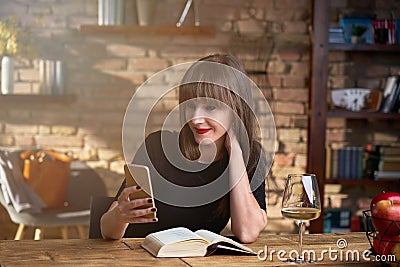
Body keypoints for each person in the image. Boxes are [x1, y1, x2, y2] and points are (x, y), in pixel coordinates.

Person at [100, 54, 268, 243]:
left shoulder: (252, 156)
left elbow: (247, 232)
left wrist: (235, 152)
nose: (195, 118)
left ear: (236, 109)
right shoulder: (157, 147)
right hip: (138, 254)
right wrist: (119, 217)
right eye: (191, 106)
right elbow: (107, 229)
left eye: (210, 107)